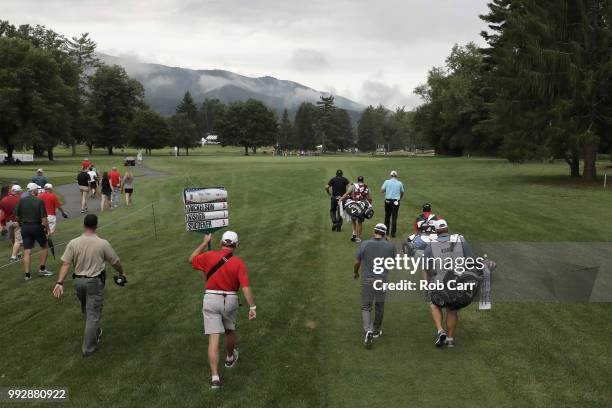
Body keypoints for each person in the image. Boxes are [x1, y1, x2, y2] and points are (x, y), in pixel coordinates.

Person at [189, 231, 257, 389]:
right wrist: (252, 307)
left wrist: (204, 243)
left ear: (221, 243)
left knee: (213, 338)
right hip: (230, 300)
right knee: (229, 330)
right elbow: (245, 287)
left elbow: (191, 260)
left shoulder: (209, 256)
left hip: (211, 299)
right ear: (236, 245)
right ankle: (229, 357)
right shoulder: (239, 263)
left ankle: (215, 377)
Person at [52, 214, 126, 358]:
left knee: (87, 309)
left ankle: (95, 331)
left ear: (84, 225)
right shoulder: (102, 243)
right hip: (94, 282)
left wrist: (59, 282)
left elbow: (66, 264)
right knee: (92, 314)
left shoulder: (73, 243)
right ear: (96, 225)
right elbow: (115, 261)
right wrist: (122, 272)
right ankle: (88, 349)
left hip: (78, 282)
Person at [423, 219, 475, 348]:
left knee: (434, 305)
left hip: (440, 284)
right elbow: (471, 261)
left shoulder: (430, 246)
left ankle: (440, 330)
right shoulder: (460, 241)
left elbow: (425, 268)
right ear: (447, 229)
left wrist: (426, 284)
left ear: (436, 231)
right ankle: (450, 339)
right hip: (458, 283)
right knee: (452, 310)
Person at [353, 223, 397, 349]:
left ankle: (368, 330)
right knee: (379, 306)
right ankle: (376, 331)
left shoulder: (365, 244)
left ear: (374, 231)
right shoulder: (390, 246)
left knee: (366, 306)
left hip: (367, 280)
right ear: (385, 233)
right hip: (382, 280)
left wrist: (355, 272)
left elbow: (357, 261)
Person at [14, 183, 52, 280]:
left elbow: (16, 216)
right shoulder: (39, 201)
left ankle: (27, 275)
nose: (38, 191)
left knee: (27, 250)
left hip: (25, 227)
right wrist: (48, 230)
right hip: (36, 226)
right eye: (36, 189)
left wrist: (21, 224)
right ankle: (42, 269)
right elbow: (44, 218)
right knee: (44, 246)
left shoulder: (21, 200)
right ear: (33, 190)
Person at [342, 176, 372, 243]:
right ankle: (358, 237)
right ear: (363, 180)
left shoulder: (353, 186)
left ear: (357, 180)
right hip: (362, 206)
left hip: (354, 206)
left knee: (353, 220)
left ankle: (354, 233)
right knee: (360, 222)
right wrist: (369, 205)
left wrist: (341, 199)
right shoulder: (366, 187)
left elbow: (347, 194)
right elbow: (369, 198)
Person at [0, 185, 23, 261]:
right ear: (18, 191)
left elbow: (3, 213)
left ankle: (19, 254)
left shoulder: (3, 200)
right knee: (17, 240)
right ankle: (13, 256)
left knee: (13, 239)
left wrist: (2, 224)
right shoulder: (20, 199)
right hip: (18, 222)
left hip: (8, 222)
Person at [380, 170, 404, 238]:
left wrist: (387, 190)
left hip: (388, 201)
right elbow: (402, 192)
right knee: (394, 217)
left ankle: (386, 232)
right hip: (396, 201)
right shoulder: (399, 183)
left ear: (390, 175)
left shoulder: (387, 181)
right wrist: (400, 198)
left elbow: (382, 190)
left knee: (387, 216)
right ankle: (393, 233)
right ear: (396, 176)